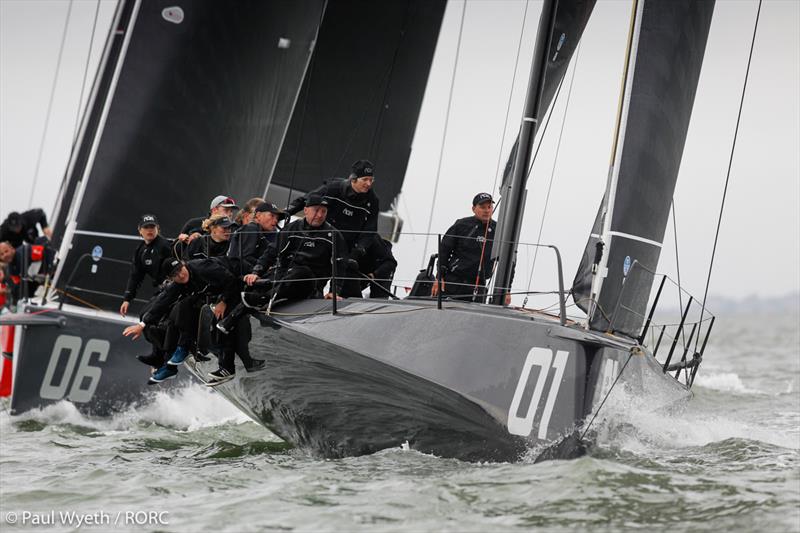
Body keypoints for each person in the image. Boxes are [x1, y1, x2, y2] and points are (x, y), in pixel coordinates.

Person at [216, 193, 351, 334]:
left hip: (310, 282)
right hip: (285, 275)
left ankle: (264, 298)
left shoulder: (334, 235)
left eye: (323, 211)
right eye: (316, 210)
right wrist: (255, 273)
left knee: (301, 271)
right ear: (305, 210)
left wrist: (334, 292)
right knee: (262, 281)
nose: (320, 215)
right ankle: (229, 321)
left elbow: (340, 265)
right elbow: (271, 252)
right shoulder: (292, 228)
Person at [123, 257, 243, 383]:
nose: (181, 274)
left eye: (180, 269)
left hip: (237, 283)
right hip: (218, 294)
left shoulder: (201, 268)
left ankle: (227, 369)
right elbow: (162, 302)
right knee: (181, 309)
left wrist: (223, 301)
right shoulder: (178, 284)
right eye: (175, 274)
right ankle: (172, 358)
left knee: (223, 323)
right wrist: (142, 324)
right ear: (170, 278)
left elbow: (231, 280)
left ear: (184, 265)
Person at [286, 160, 379, 297]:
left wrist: (357, 253)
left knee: (348, 283)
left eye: (371, 180)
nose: (369, 184)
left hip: (346, 250)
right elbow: (308, 200)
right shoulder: (334, 188)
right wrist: (287, 212)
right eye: (365, 179)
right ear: (353, 179)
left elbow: (370, 231)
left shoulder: (372, 200)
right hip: (322, 244)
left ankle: (336, 299)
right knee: (315, 284)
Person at [432, 193, 509, 304]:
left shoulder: (499, 230)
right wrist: (439, 277)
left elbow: (508, 261)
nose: (487, 210)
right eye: (482, 207)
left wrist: (506, 290)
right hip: (454, 282)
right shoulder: (461, 225)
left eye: (489, 207)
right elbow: (444, 250)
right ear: (473, 209)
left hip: (479, 287)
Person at [226, 202, 283, 277]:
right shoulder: (251, 228)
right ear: (258, 215)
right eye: (272, 216)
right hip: (237, 277)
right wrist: (266, 266)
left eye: (277, 218)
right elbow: (245, 257)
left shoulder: (257, 230)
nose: (275, 220)